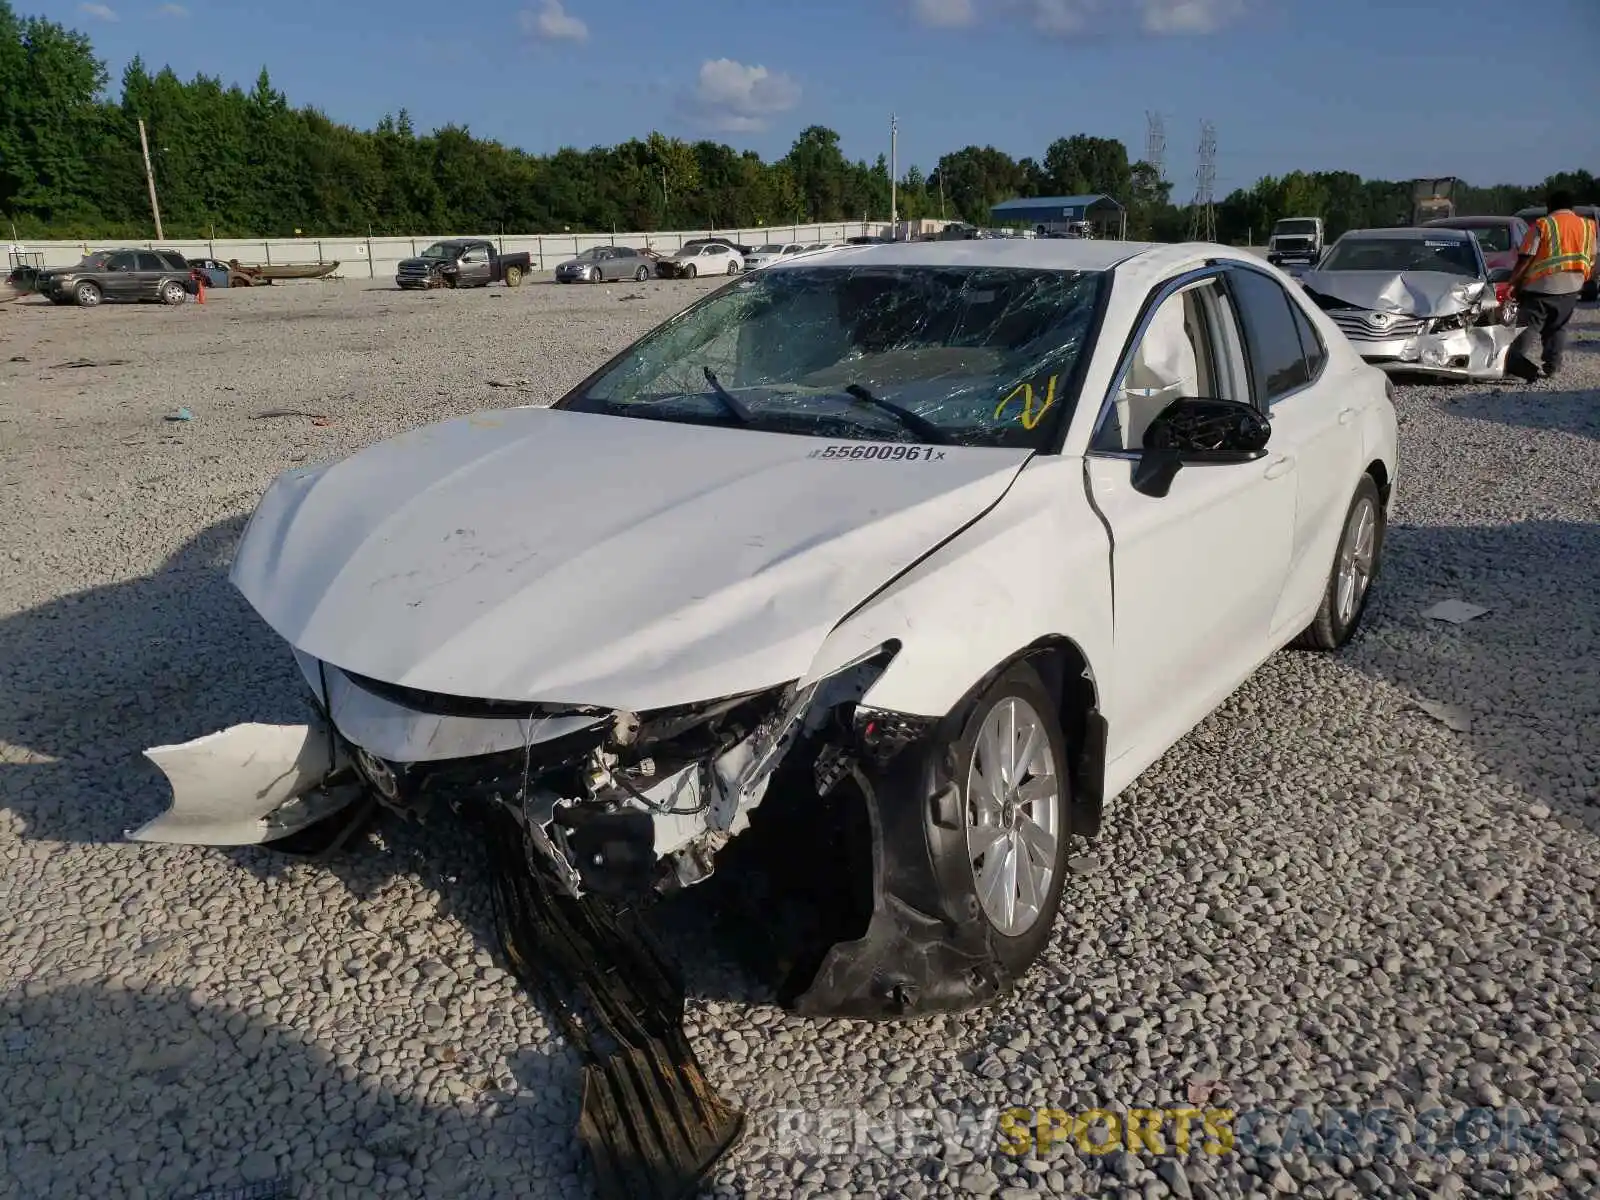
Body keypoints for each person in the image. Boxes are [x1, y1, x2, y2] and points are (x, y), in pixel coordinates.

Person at [1505, 189, 1597, 381]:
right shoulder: (1588, 226)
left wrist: (1512, 283)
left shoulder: (1543, 224)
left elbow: (1526, 257)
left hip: (1541, 287)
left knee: (1528, 327)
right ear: (1570, 207)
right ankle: (1553, 367)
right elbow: (1592, 257)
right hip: (1572, 286)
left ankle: (1515, 364)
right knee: (1557, 327)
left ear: (1550, 206)